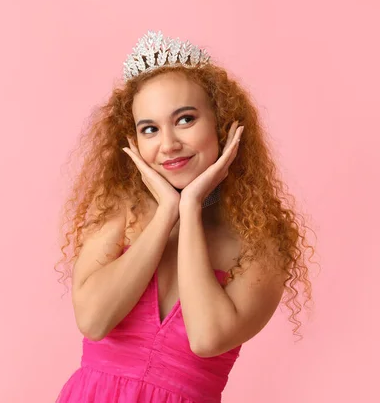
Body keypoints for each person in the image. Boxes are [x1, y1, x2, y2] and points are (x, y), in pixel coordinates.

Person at [54, 30, 315, 403]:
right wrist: (166, 213)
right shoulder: (117, 209)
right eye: (150, 129)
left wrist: (190, 207)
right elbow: (94, 321)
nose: (169, 144)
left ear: (223, 125)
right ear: (134, 143)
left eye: (186, 119)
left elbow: (208, 337)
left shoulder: (261, 241)